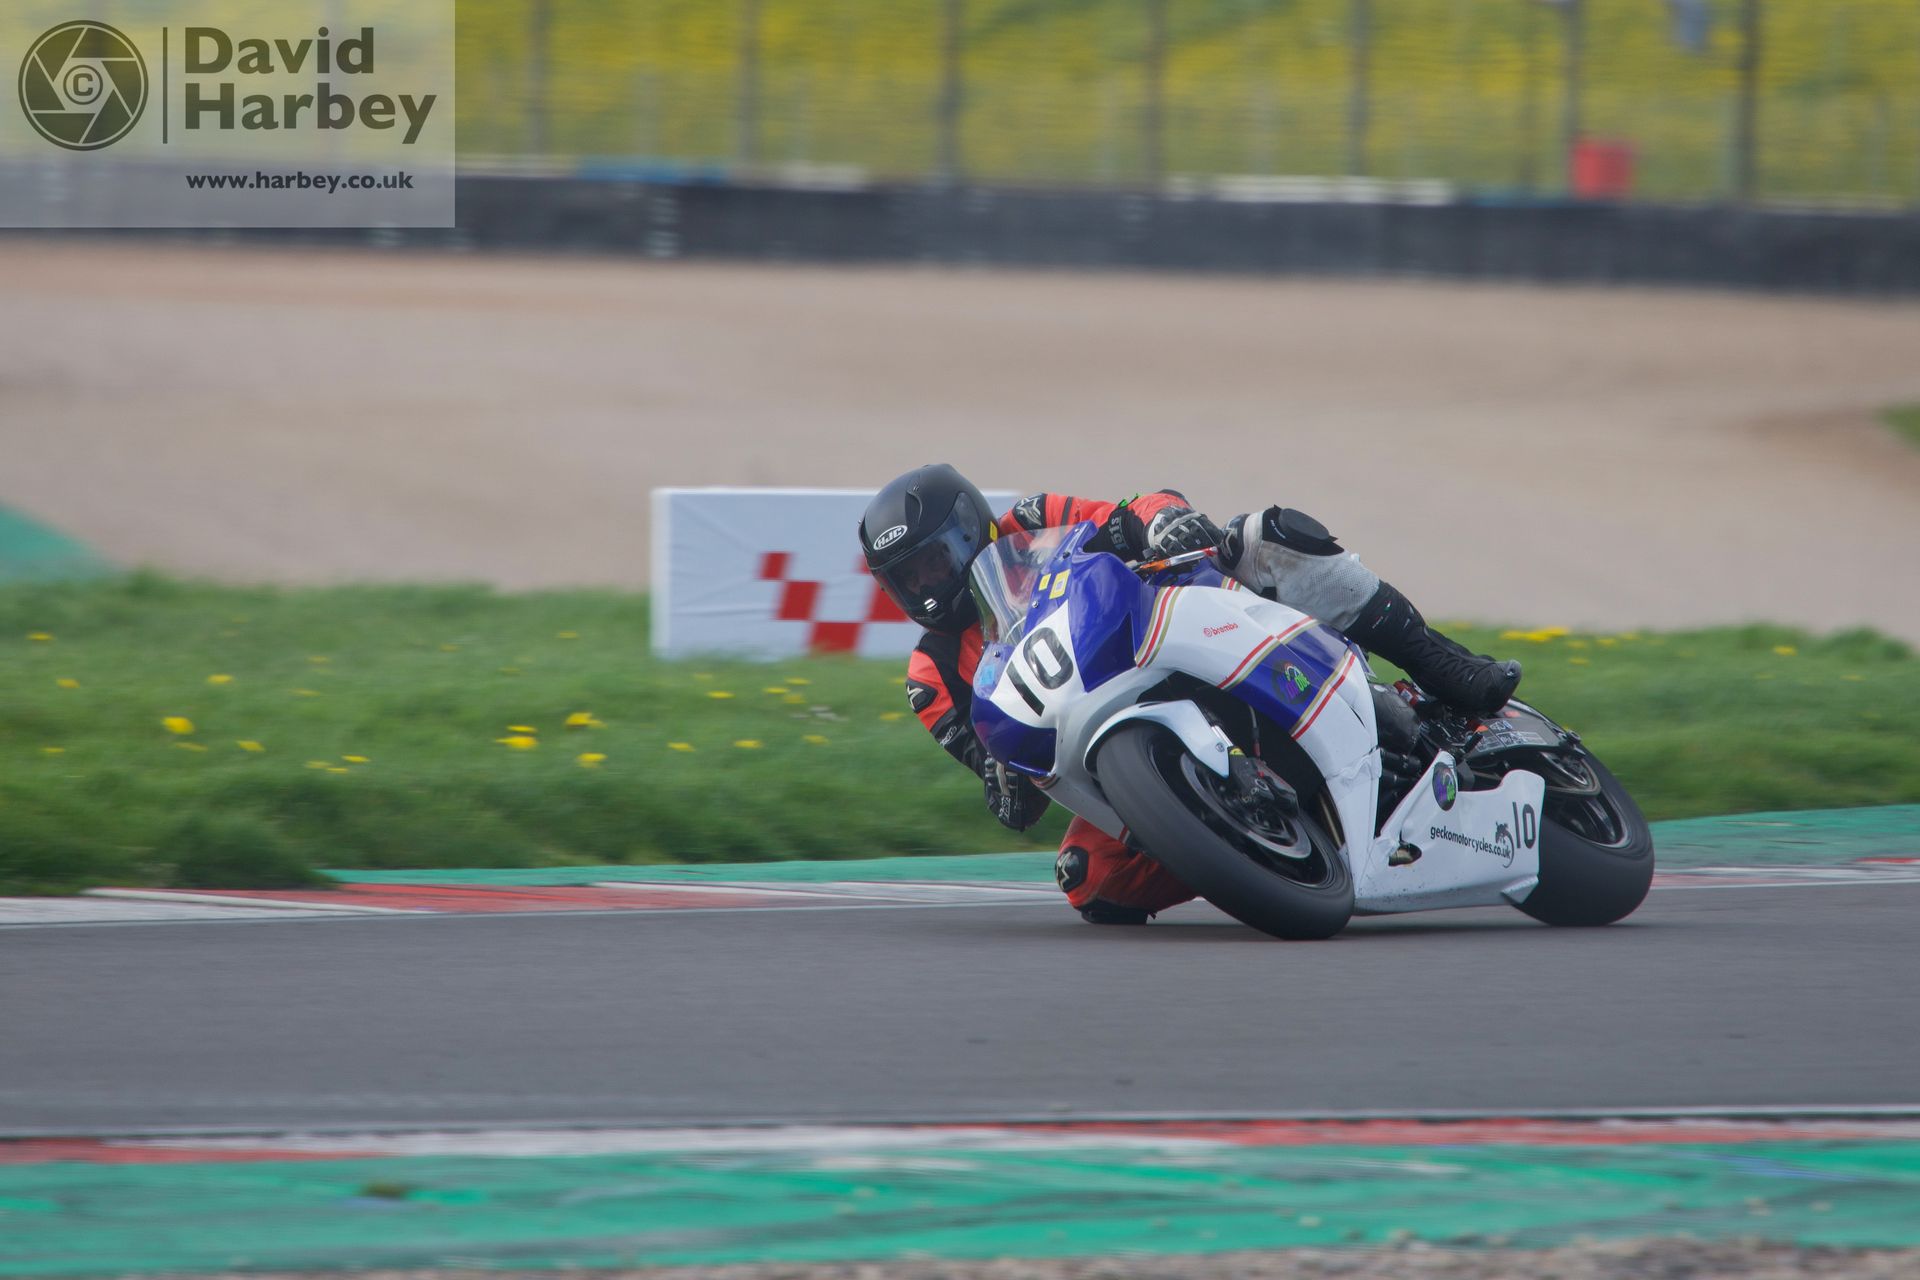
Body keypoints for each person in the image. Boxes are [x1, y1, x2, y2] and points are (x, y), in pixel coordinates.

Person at [859, 464, 1521, 926]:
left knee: (1263, 537)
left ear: (970, 529)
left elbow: (1123, 513)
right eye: (905, 577)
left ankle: (1446, 668)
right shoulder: (932, 678)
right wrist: (1003, 782)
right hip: (1101, 735)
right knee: (1089, 880)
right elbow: (1002, 774)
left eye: (933, 561)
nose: (925, 586)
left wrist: (1164, 522)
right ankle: (1256, 852)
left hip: (1165, 627)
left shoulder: (1029, 522)